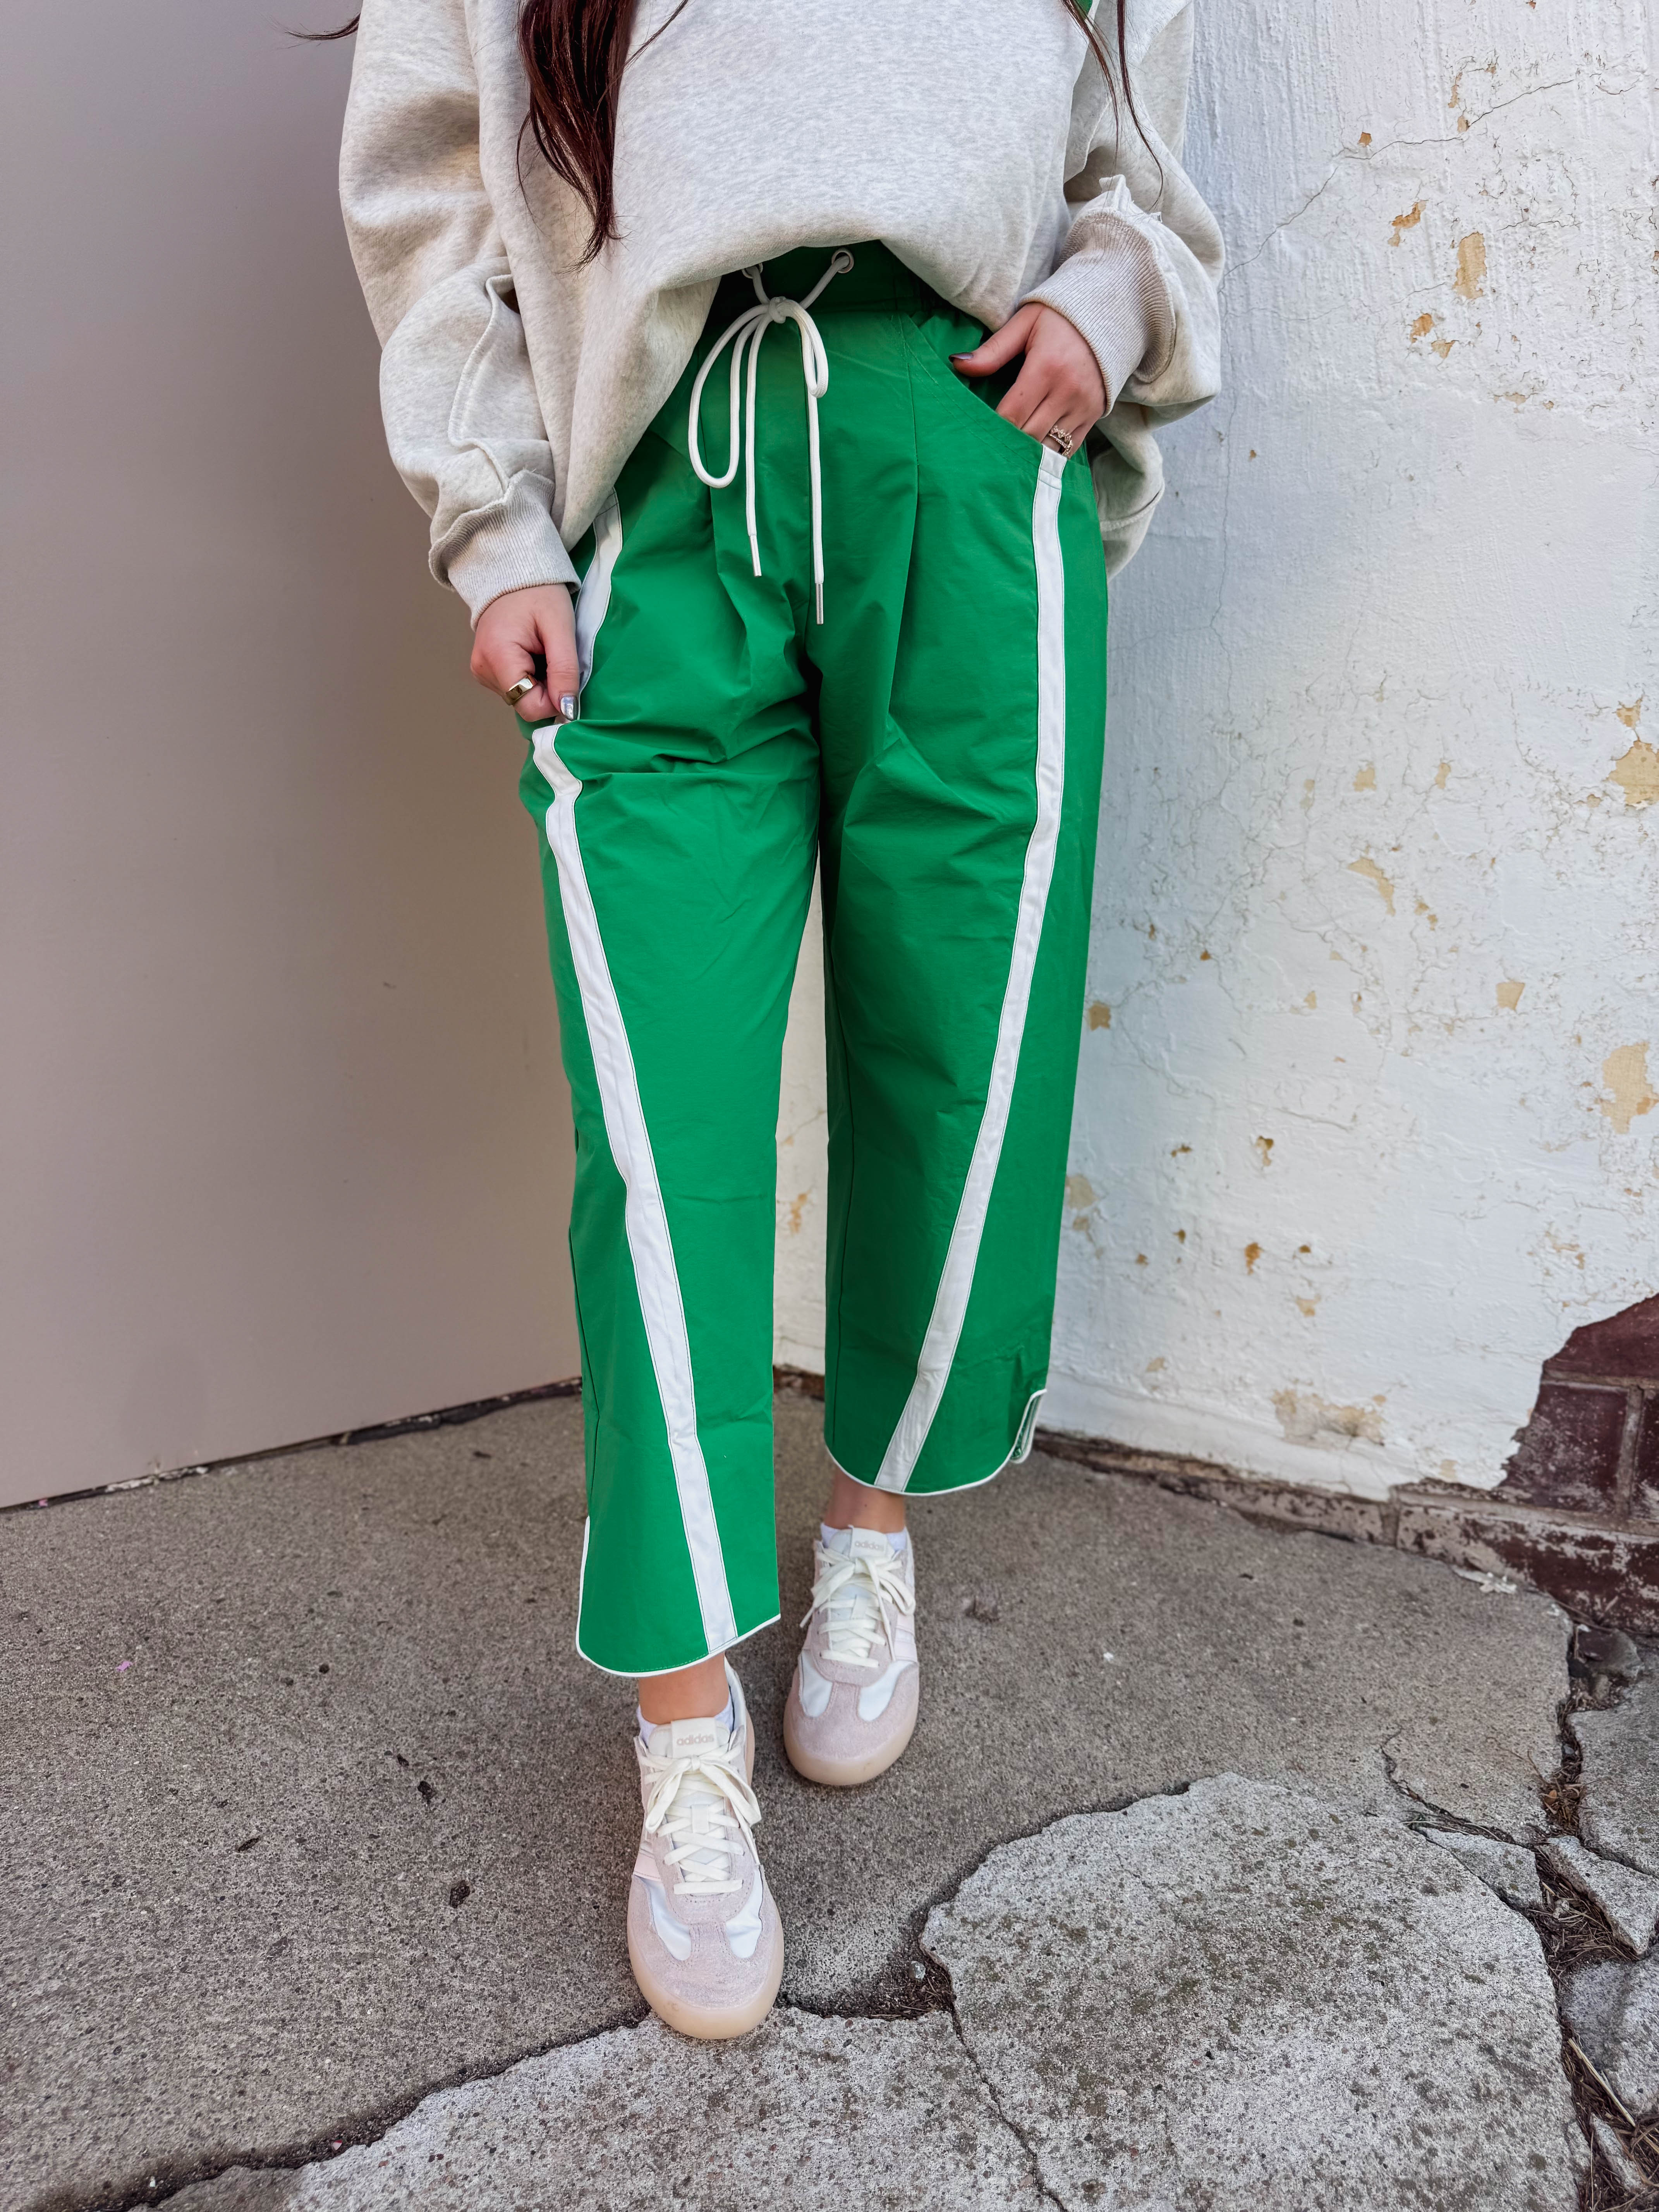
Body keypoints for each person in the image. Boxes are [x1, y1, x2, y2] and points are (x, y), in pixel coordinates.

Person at [337, 0, 1221, 2040]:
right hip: (668, 486)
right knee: (660, 1143)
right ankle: (682, 1723)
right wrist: (495, 522)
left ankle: (870, 1522)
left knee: (960, 1057)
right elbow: (435, 184)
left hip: (962, 444)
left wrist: (1104, 306)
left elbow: (1145, 168)